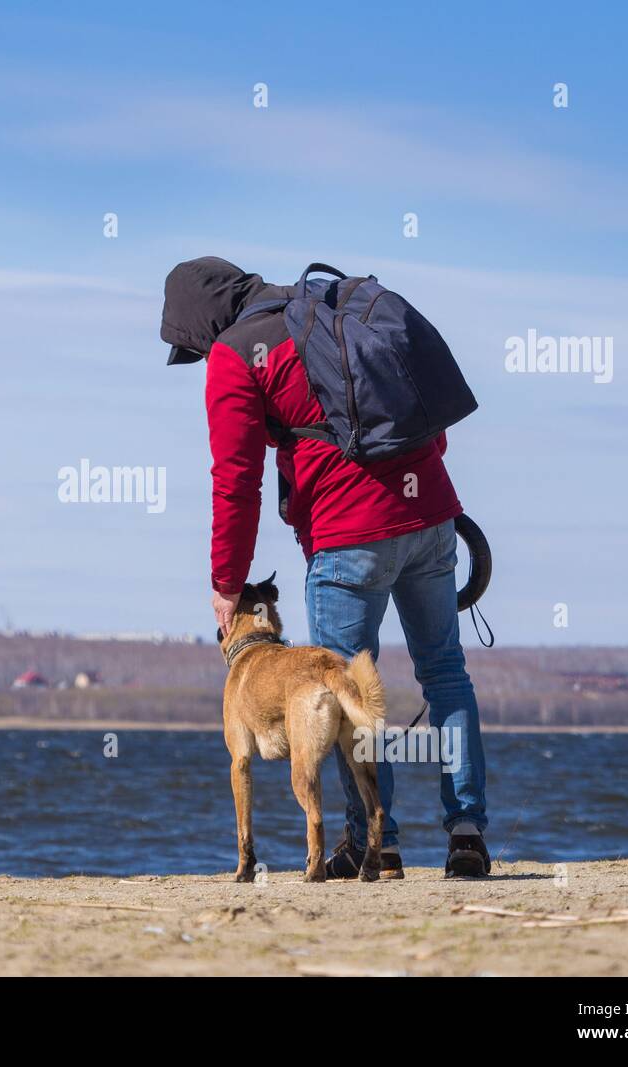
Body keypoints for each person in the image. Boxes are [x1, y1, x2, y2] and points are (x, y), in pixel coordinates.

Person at [161, 256, 490, 878]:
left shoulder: (236, 356)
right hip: (432, 516)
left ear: (202, 325)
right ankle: (467, 835)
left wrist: (227, 586)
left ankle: (378, 844)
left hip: (348, 535)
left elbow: (236, 482)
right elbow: (421, 419)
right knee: (446, 672)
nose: (202, 360)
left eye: (194, 349)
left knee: (348, 689)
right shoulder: (325, 311)